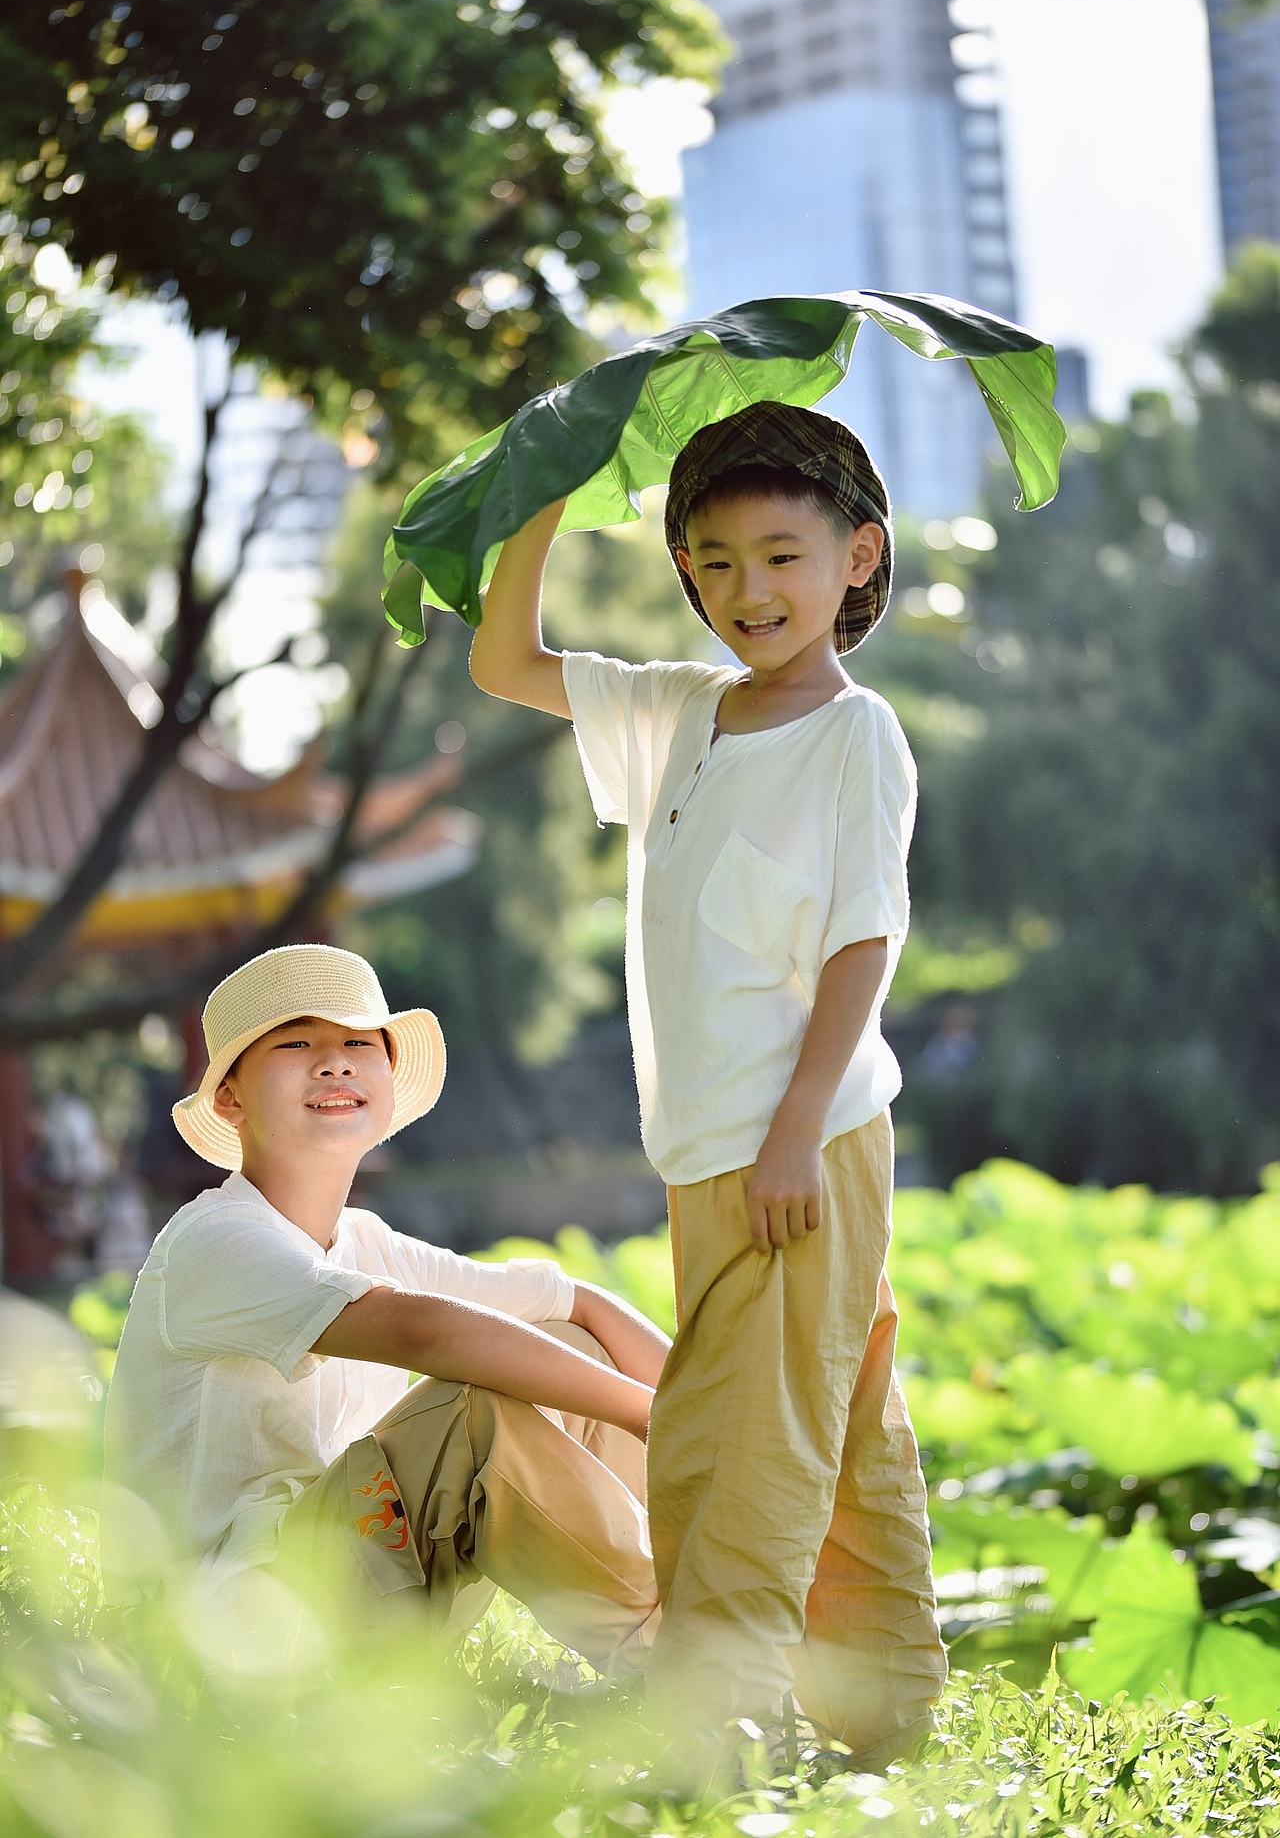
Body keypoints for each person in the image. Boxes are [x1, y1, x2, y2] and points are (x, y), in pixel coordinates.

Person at [469, 400, 946, 1764]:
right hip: (710, 1150)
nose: (748, 591)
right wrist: (547, 497)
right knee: (836, 1427)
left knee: (730, 1444)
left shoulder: (856, 737)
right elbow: (509, 661)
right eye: (715, 561)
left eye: (784, 556)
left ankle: (714, 1729)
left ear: (858, 558)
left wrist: (798, 1130)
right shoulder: (684, 713)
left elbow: (866, 938)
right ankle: (888, 1721)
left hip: (803, 1140)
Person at [104, 943, 668, 1677]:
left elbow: (577, 1300)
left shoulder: (368, 1241)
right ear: (230, 1098)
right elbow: (422, 1330)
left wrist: (700, 1415)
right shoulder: (213, 1241)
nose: (335, 1061)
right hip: (238, 1632)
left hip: (362, 1575)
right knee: (473, 1402)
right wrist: (652, 1413)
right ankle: (682, 1664)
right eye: (297, 1041)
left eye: (359, 1042)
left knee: (569, 1347)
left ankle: (704, 1600)